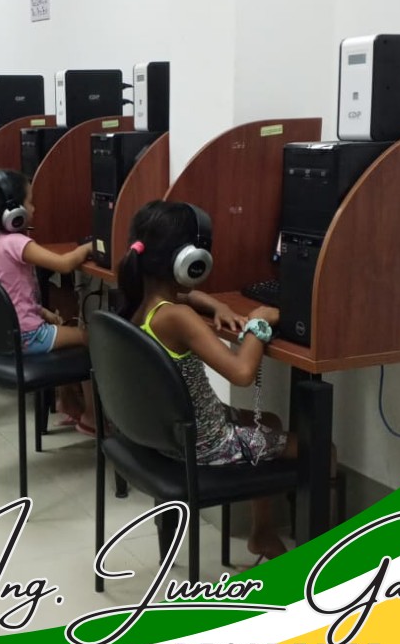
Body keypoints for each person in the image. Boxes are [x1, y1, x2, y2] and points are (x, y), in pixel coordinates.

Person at [117, 200, 300, 561]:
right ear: (190, 261)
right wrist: (259, 322)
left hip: (165, 435)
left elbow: (187, 296)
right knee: (321, 451)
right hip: (207, 443)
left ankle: (262, 533)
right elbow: (242, 373)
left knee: (271, 421)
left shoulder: (140, 301)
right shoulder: (177, 317)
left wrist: (217, 306)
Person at [0, 169, 96, 432]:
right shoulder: (17, 243)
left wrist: (41, 312)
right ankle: (92, 418)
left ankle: (68, 402)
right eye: (30, 202)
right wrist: (90, 246)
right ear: (13, 210)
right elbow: (65, 264)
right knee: (90, 339)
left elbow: (10, 294)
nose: (34, 208)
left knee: (67, 328)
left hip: (6, 336)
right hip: (28, 337)